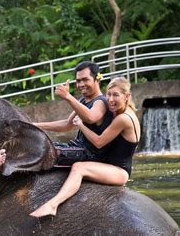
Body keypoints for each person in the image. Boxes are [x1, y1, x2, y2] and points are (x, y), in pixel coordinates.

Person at [28, 77, 140, 217]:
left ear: (127, 96)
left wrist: (80, 125)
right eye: (109, 94)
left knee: (79, 168)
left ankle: (53, 205)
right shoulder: (118, 111)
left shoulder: (123, 118)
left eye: (116, 95)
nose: (110, 99)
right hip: (107, 163)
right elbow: (71, 123)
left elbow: (99, 142)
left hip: (119, 170)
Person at [0, 61, 113, 175]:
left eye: (85, 80)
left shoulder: (101, 102)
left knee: (46, 151)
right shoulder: (84, 101)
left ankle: (0, 166)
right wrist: (35, 125)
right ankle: (0, 160)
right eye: (78, 81)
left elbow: (91, 117)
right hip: (77, 147)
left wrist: (68, 97)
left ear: (97, 79)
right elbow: (66, 125)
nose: (81, 84)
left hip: (89, 154)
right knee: (41, 143)